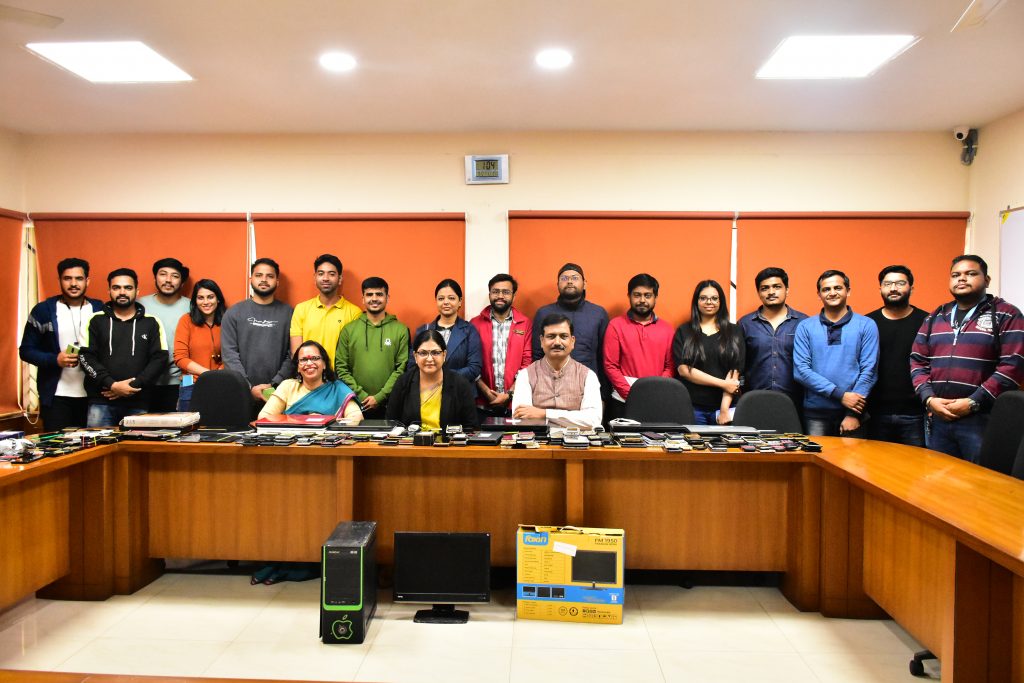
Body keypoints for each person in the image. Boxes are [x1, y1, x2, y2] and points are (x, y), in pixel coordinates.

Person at [911, 254, 1024, 461]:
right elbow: (918, 360)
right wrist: (929, 399)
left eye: (971, 273)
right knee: (939, 475)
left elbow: (1013, 365)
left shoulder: (1007, 314)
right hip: (939, 417)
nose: (962, 278)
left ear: (986, 280)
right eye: (956, 275)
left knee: (979, 477)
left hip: (981, 419)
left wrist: (973, 402)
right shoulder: (936, 316)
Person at [19, 257, 104, 430]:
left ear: (87, 281)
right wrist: (55, 359)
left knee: (93, 445)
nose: (73, 284)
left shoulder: (100, 309)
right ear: (59, 280)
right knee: (58, 444)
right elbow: (26, 350)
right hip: (56, 396)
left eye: (79, 278)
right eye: (67, 278)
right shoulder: (43, 310)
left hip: (94, 395)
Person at [794, 270, 879, 437]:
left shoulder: (866, 325)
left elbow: (869, 371)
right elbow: (801, 370)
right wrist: (840, 395)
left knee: (853, 455)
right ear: (819, 294)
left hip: (852, 412)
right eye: (826, 289)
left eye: (838, 288)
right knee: (817, 454)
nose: (832, 293)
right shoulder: (805, 327)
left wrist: (853, 413)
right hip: (815, 412)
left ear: (848, 291)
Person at [79, 268, 168, 427]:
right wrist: (112, 385)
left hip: (138, 401)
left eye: (128, 288)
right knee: (99, 443)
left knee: (137, 444)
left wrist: (132, 386)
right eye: (116, 287)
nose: (122, 292)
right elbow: (86, 357)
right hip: (101, 401)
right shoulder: (95, 321)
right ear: (109, 291)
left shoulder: (152, 322)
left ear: (136, 291)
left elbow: (160, 359)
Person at [220, 258, 294, 415]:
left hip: (279, 394)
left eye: (270, 276)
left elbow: (292, 354)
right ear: (251, 279)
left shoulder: (289, 313)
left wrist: (275, 384)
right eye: (259, 275)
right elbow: (229, 355)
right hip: (240, 393)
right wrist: (248, 386)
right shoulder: (234, 313)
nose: (264, 280)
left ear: (277, 281)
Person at [865, 265, 929, 447]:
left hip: (915, 413)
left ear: (911, 288)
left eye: (900, 283)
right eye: (888, 284)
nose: (893, 288)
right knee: (876, 463)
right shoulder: (868, 323)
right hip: (875, 413)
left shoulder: (927, 321)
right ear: (880, 289)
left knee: (915, 463)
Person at [334, 277, 409, 418]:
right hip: (355, 404)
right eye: (369, 295)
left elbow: (402, 368)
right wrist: (361, 395)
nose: (374, 299)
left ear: (387, 298)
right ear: (363, 299)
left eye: (379, 294)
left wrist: (380, 397)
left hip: (391, 404)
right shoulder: (348, 330)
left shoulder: (401, 330)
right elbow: (341, 368)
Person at [673, 280, 746, 425]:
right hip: (692, 406)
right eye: (703, 298)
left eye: (714, 298)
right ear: (696, 301)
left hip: (726, 406)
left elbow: (734, 372)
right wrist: (723, 384)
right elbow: (684, 370)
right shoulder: (684, 331)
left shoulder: (734, 331)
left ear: (720, 301)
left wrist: (724, 409)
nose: (709, 302)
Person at [603, 273, 674, 420]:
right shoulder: (615, 325)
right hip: (622, 401)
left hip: (657, 399)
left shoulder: (667, 329)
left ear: (655, 297)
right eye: (637, 295)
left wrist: (657, 391)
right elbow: (610, 366)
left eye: (647, 295)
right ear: (629, 296)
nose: (642, 300)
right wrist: (633, 395)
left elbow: (670, 366)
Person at [512, 313, 603, 429]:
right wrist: (574, 420)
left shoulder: (588, 376)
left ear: (572, 341)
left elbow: (593, 420)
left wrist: (544, 414)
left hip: (577, 440)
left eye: (563, 336)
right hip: (537, 440)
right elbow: (520, 419)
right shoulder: (525, 375)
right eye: (551, 336)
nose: (557, 342)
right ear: (541, 341)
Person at [738, 267, 808, 412]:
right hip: (754, 401)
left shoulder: (804, 322)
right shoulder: (745, 324)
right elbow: (739, 365)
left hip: (795, 402)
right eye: (765, 288)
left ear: (787, 290)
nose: (771, 292)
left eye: (777, 287)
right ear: (758, 292)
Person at [531, 263, 609, 389]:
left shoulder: (598, 314)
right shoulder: (543, 313)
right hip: (550, 384)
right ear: (558, 284)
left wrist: (603, 392)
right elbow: (537, 354)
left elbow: (605, 356)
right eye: (564, 278)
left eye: (575, 278)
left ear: (584, 284)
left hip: (588, 385)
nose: (570, 281)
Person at [387, 329, 478, 430]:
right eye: (423, 353)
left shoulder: (460, 384)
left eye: (435, 353)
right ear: (415, 356)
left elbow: (471, 427)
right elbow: (391, 423)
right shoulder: (403, 382)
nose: (429, 359)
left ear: (444, 355)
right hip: (411, 440)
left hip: (448, 440)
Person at [469, 273, 532, 417]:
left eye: (506, 292)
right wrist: (486, 392)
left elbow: (527, 363)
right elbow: (471, 362)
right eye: (495, 291)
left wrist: (509, 394)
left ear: (514, 296)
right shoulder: (475, 323)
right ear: (489, 294)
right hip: (482, 403)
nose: (500, 296)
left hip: (515, 405)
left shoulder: (525, 323)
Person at [258, 341, 363, 421]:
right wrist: (301, 421)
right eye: (303, 360)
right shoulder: (287, 387)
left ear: (324, 364)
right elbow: (264, 417)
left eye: (315, 358)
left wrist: (325, 422)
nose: (309, 363)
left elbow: (356, 417)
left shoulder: (338, 389)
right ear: (298, 367)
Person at [138, 258, 191, 412]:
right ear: (155, 278)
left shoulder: (192, 306)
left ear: (182, 282)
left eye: (175, 276)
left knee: (181, 424)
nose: (168, 280)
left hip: (181, 382)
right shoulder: (139, 305)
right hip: (144, 381)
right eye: (163, 274)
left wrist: (189, 378)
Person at [289, 253, 360, 366]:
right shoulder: (301, 309)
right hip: (308, 373)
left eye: (331, 274)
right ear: (315, 278)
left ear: (340, 279)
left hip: (339, 376)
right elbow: (296, 353)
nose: (325, 278)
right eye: (321, 273)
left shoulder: (354, 313)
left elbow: (354, 354)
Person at [408, 279, 482, 383]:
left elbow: (474, 368)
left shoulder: (469, 331)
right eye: (441, 298)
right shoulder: (423, 330)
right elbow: (412, 365)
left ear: (460, 301)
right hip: (428, 390)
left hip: (460, 389)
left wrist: (442, 377)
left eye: (451, 298)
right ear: (436, 301)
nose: (446, 302)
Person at [172, 279, 228, 412]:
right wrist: (208, 374)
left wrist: (217, 375)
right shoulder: (186, 320)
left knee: (218, 423)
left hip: (222, 383)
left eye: (210, 297)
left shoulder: (228, 320)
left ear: (218, 299)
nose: (206, 302)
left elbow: (232, 354)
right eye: (200, 298)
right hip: (192, 385)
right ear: (195, 301)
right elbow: (180, 358)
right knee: (189, 424)